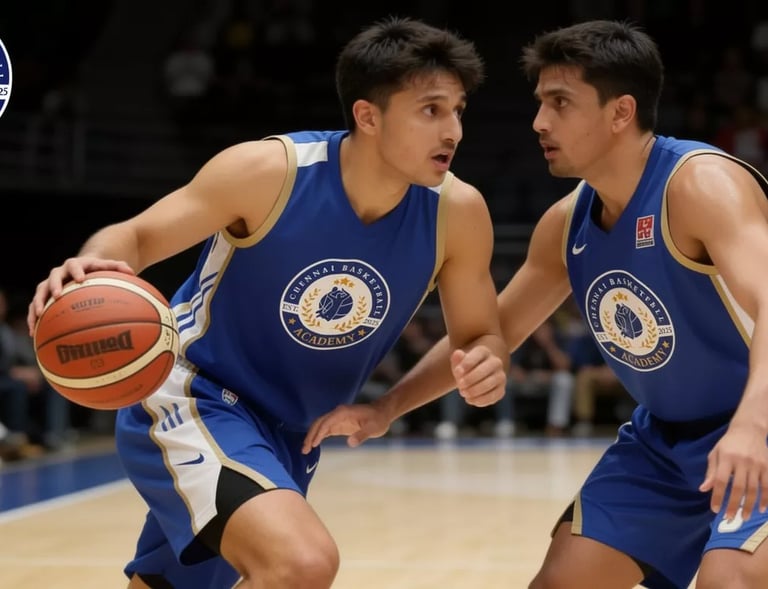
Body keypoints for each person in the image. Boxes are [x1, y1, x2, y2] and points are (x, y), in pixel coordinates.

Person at [27, 16, 508, 589]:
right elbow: (135, 238)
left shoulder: (459, 214)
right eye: (431, 109)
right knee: (301, 564)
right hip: (195, 394)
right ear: (368, 116)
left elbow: (478, 336)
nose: (452, 129)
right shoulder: (268, 173)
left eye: (458, 110)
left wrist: (413, 396)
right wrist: (92, 265)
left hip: (287, 436)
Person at [303, 19, 768, 589]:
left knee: (731, 581)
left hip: (758, 421)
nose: (539, 122)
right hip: (665, 441)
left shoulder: (700, 185)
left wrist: (750, 425)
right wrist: (387, 408)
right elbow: (489, 329)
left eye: (560, 103)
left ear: (621, 112)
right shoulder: (566, 223)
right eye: (541, 102)